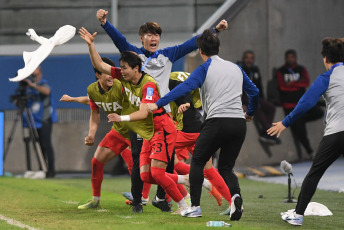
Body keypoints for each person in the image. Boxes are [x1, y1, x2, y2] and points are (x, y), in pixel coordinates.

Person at [96, 8, 228, 211]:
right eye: (149, 34)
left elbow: (192, 42)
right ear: (142, 38)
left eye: (156, 34)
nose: (153, 38)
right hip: (140, 118)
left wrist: (215, 30)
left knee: (165, 164)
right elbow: (119, 40)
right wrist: (105, 23)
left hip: (162, 117)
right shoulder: (134, 56)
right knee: (140, 162)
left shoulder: (168, 55)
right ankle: (140, 201)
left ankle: (165, 199)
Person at [147, 29, 259, 220]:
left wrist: (158, 103)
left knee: (197, 162)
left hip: (216, 121)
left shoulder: (204, 68)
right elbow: (254, 92)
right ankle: (235, 198)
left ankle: (195, 207)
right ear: (219, 48)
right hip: (239, 124)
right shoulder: (236, 68)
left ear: (201, 51)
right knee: (226, 167)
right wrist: (249, 113)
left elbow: (184, 87)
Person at [79, 27, 192, 214]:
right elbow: (100, 65)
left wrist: (120, 117)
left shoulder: (148, 85)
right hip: (144, 129)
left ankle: (184, 204)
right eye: (120, 68)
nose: (120, 72)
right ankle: (174, 185)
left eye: (124, 68)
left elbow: (143, 113)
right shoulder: (125, 78)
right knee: (145, 172)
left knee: (158, 171)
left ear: (135, 68)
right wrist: (91, 45)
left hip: (160, 128)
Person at [267, 38, 344, 226]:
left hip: (338, 131)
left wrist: (286, 122)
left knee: (315, 172)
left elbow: (306, 103)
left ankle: (298, 215)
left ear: (325, 59)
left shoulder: (327, 77)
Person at [73, 57, 140, 211]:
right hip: (118, 131)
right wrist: (91, 134)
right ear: (98, 75)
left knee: (150, 170)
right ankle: (95, 201)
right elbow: (95, 114)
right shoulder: (92, 90)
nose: (111, 75)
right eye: (106, 72)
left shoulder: (122, 85)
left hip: (136, 130)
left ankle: (175, 192)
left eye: (112, 71)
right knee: (96, 161)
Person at [276, 49, 323, 159]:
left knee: (319, 111)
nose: (290, 59)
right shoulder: (281, 71)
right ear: (285, 58)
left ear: (295, 58)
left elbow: (306, 82)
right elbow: (282, 86)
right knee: (301, 132)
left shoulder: (301, 69)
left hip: (302, 103)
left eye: (292, 57)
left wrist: (291, 83)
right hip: (289, 105)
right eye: (288, 57)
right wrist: (297, 84)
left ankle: (302, 120)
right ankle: (310, 152)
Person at [23, 66, 58, 178]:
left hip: (45, 119)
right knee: (38, 146)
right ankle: (42, 169)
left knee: (46, 145)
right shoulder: (29, 87)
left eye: (36, 74)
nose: (34, 77)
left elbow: (47, 91)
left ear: (40, 74)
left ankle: (51, 171)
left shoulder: (43, 84)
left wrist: (33, 85)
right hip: (34, 120)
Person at [238, 50, 279, 144]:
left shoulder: (255, 69)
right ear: (243, 59)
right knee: (257, 106)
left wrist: (263, 100)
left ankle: (264, 133)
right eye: (247, 58)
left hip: (254, 97)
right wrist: (242, 103)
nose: (249, 60)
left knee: (271, 107)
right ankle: (269, 132)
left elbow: (259, 86)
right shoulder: (239, 69)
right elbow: (236, 87)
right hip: (244, 98)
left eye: (251, 58)